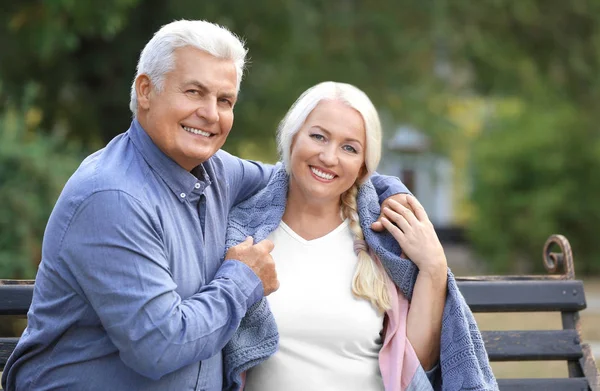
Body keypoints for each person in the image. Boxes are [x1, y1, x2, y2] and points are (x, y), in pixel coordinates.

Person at [1, 21, 412, 390]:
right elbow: (159, 347)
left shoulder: (214, 171)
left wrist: (391, 196)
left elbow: (299, 174)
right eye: (194, 92)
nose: (210, 114)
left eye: (225, 100)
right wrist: (242, 279)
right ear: (146, 91)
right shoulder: (112, 197)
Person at [222, 82, 498, 390]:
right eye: (318, 136)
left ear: (363, 166)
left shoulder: (384, 240)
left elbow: (413, 369)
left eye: (349, 147)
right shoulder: (242, 234)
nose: (329, 157)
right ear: (292, 137)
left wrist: (433, 267)